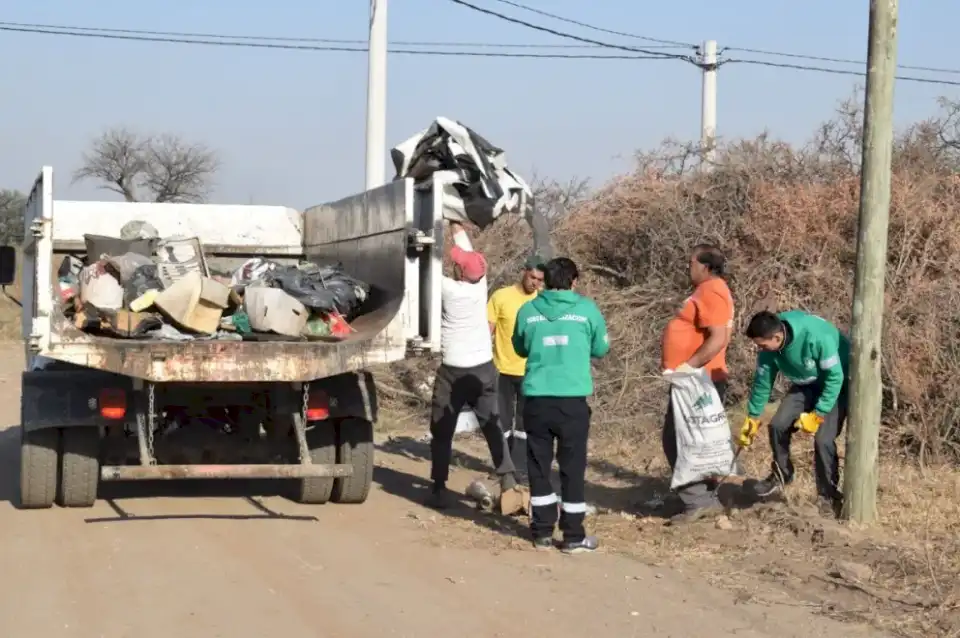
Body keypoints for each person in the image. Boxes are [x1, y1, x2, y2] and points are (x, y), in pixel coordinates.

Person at [512, 257, 609, 553]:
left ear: (544, 281)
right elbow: (601, 348)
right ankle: (573, 536)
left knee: (538, 466)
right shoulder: (587, 310)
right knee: (572, 467)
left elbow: (520, 347)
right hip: (572, 401)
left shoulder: (528, 310)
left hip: (537, 400)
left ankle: (541, 532)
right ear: (574, 281)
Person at [427, 221, 517, 509]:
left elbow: (426, 263)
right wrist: (456, 227)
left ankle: (439, 487)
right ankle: (509, 482)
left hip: (453, 372)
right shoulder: (480, 285)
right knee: (492, 425)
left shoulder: (450, 290)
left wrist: (431, 229)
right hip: (484, 369)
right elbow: (468, 255)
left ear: (460, 272)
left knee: (442, 431)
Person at [738, 310, 849, 516]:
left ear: (777, 337)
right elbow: (763, 383)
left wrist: (819, 413)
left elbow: (835, 377)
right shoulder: (769, 350)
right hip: (806, 383)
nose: (760, 350)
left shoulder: (816, 337)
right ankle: (782, 474)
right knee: (777, 425)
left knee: (823, 439)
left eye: (762, 345)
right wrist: (753, 417)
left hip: (837, 382)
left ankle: (829, 496)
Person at [659, 244, 734, 524]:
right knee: (693, 441)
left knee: (677, 439)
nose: (687, 267)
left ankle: (699, 500)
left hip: (698, 380)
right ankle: (702, 497)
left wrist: (688, 368)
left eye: (691, 262)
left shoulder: (712, 290)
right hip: (694, 379)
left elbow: (718, 338)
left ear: (704, 265)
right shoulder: (708, 291)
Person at [487, 255, 545, 480]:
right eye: (533, 277)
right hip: (502, 369)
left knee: (524, 422)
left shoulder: (543, 302)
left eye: (540, 280)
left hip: (531, 371)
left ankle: (519, 467)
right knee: (501, 419)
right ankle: (503, 466)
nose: (536, 284)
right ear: (524, 272)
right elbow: (487, 331)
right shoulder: (501, 296)